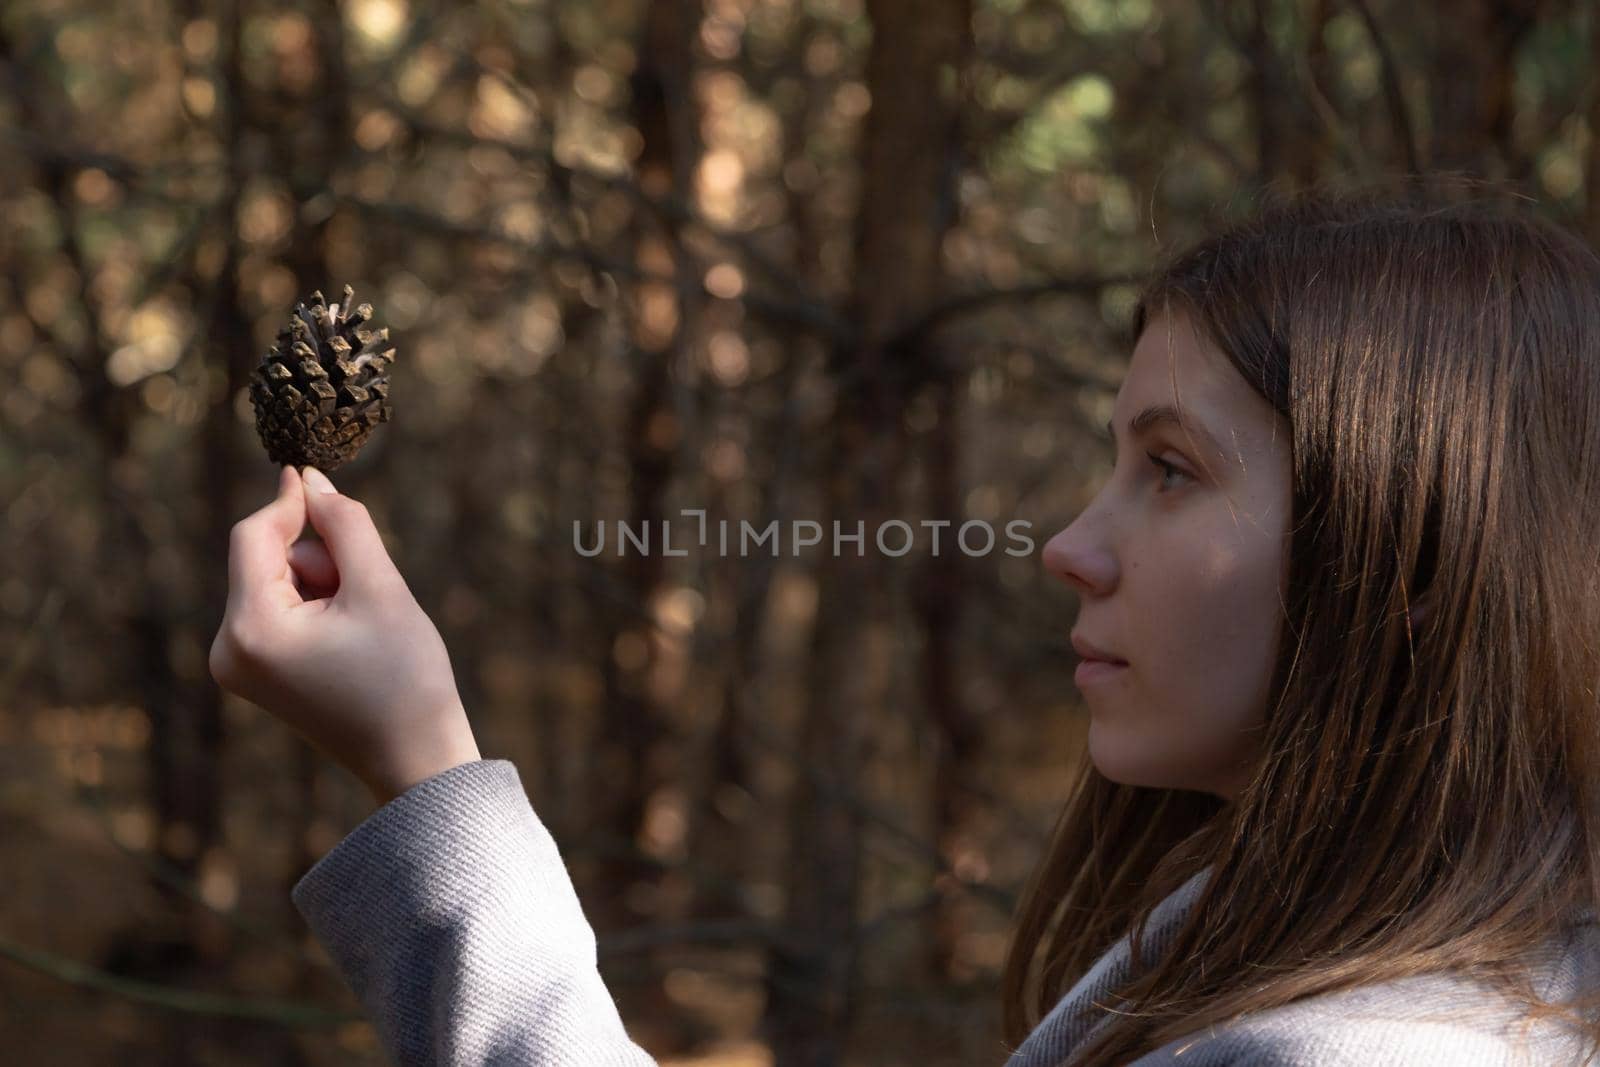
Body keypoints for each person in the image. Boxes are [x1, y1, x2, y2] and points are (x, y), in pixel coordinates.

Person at [211, 184, 1600, 1066]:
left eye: (1170, 470)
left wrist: (428, 783)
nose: (1069, 546)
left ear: (1412, 550)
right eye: (1115, 460)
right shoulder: (1339, 946)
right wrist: (426, 765)